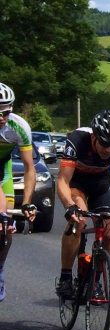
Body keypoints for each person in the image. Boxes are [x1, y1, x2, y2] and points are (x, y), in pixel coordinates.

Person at [56, 109, 110, 299]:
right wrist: (69, 206)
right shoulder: (78, 140)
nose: (108, 149)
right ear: (94, 136)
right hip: (77, 183)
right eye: (104, 144)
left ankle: (94, 280)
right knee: (79, 220)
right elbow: (63, 180)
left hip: (101, 185)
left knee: (109, 231)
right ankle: (65, 278)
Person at [0, 82, 36, 302]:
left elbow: (30, 167)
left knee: (5, 226)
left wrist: (28, 202)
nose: (2, 117)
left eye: (7, 111)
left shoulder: (19, 127)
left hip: (3, 172)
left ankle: (0, 268)